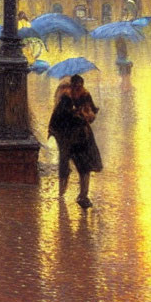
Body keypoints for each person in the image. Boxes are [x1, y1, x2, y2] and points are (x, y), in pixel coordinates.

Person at [48, 74, 103, 209]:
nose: (78, 89)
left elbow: (91, 112)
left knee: (85, 166)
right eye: (76, 86)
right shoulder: (65, 98)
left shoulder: (85, 95)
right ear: (72, 85)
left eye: (80, 86)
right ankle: (62, 192)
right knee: (64, 164)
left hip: (82, 137)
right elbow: (59, 117)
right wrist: (75, 114)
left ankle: (83, 196)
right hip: (67, 137)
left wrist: (88, 114)